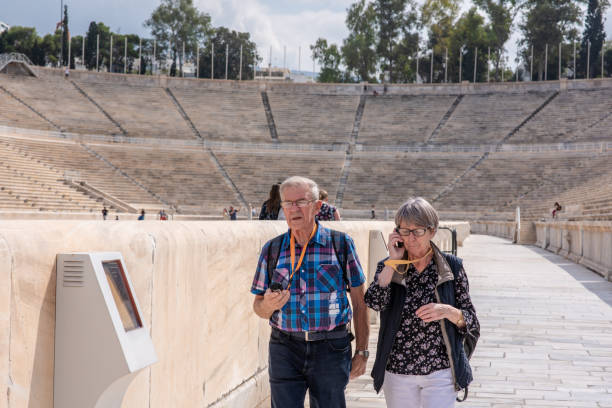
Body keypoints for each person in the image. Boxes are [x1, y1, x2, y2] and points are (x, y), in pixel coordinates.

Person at [251, 176, 370, 408]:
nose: (293, 209)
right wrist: (269, 304)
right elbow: (258, 307)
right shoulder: (272, 249)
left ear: (317, 207)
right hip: (284, 347)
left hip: (331, 347)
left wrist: (363, 351)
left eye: (301, 202)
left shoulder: (341, 244)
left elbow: (359, 302)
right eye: (288, 203)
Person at [365, 197, 479, 408]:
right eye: (404, 231)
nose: (411, 238)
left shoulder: (452, 267)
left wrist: (447, 311)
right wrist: (392, 261)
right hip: (397, 370)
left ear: (432, 231)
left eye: (417, 231)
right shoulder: (389, 265)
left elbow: (471, 321)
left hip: (440, 371)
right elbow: (374, 302)